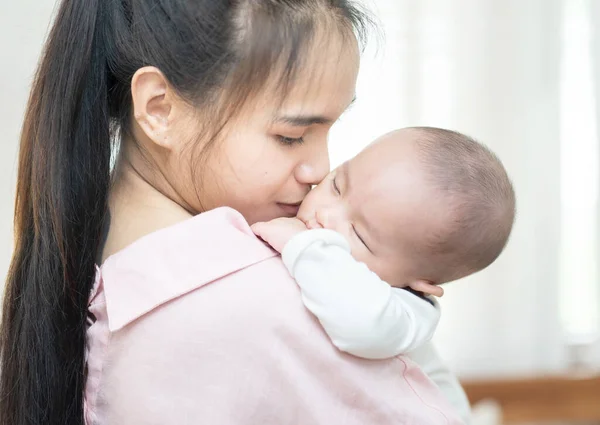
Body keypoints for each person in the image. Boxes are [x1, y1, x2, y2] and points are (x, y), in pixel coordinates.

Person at [0, 1, 466, 425]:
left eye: (331, 128)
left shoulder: (82, 249)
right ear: (161, 109)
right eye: (290, 136)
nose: (319, 169)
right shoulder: (264, 298)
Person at [253, 127, 515, 421]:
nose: (326, 213)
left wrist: (302, 245)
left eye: (359, 234)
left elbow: (360, 321)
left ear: (420, 284)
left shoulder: (406, 311)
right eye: (337, 185)